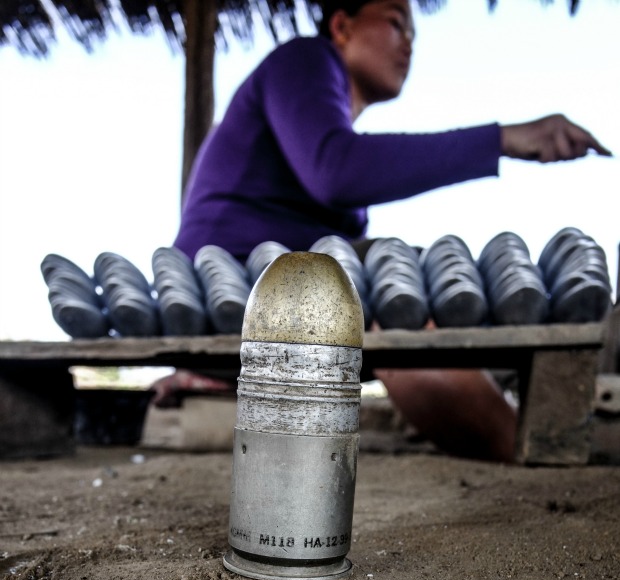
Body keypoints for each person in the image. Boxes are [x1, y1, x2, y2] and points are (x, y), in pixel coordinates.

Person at [163, 0, 611, 462]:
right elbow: (338, 171)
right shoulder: (305, 58)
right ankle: (530, 455)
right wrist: (501, 139)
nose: (408, 45)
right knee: (400, 288)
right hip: (230, 290)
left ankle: (517, 426)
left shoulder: (317, 143)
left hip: (280, 294)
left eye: (414, 35)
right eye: (397, 24)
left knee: (412, 279)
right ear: (342, 25)